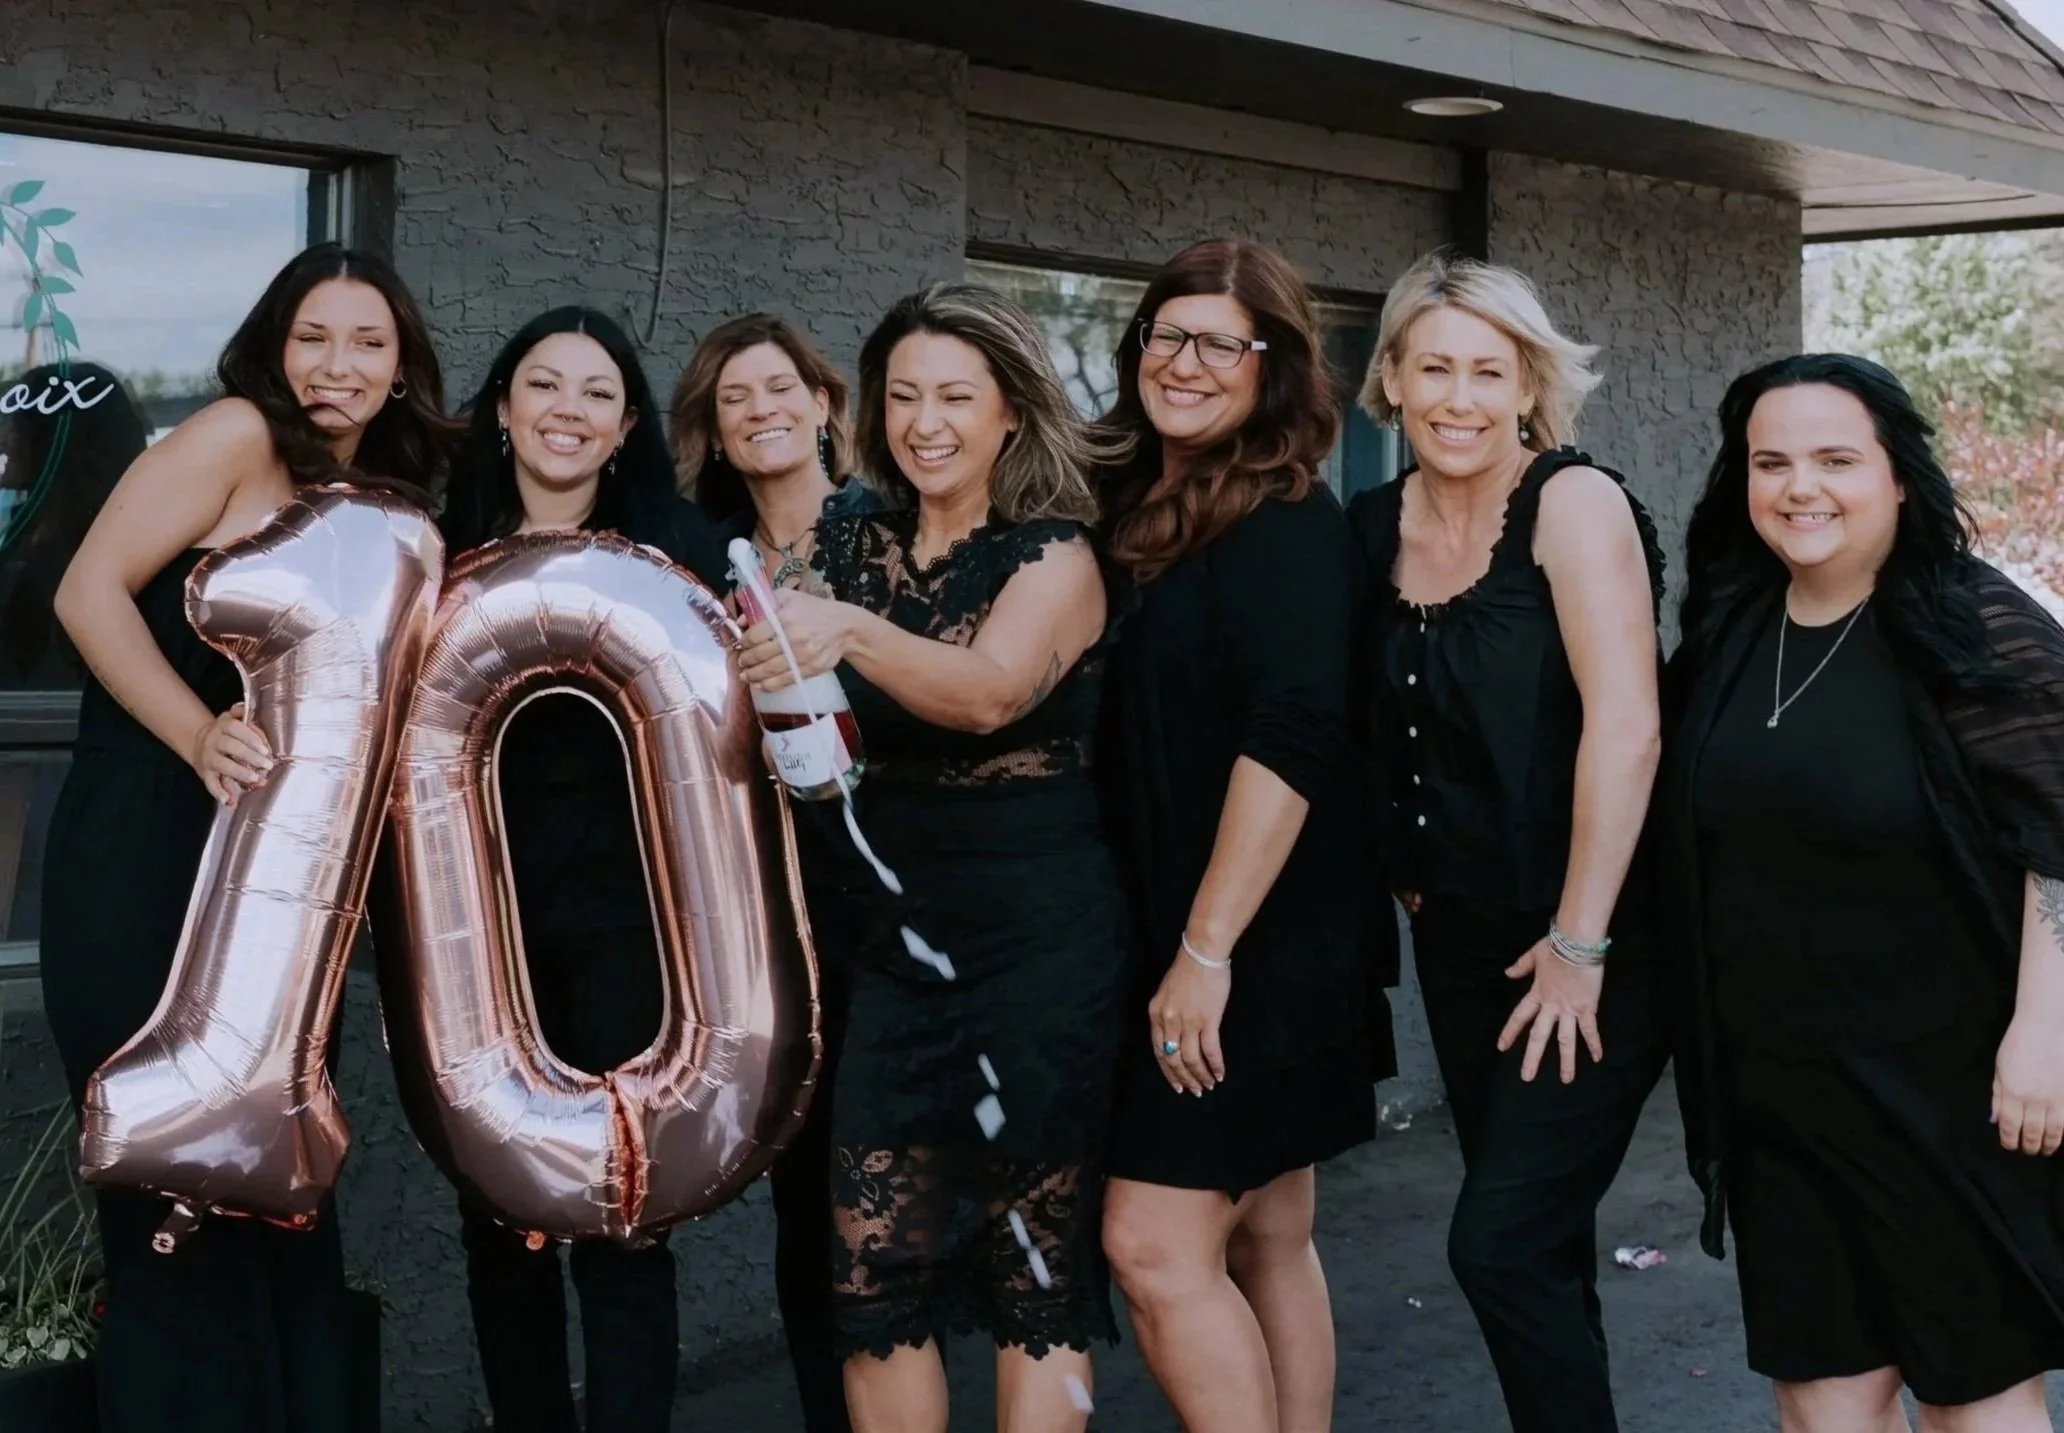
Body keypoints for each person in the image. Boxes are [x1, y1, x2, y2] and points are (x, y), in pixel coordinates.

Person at [41, 241, 453, 1433]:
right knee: (171, 1195)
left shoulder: (379, 493)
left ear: (399, 364)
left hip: (275, 885)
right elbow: (86, 591)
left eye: (368, 342)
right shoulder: (233, 435)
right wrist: (195, 732)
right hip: (148, 846)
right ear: (274, 345)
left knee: (278, 1199)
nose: (339, 364)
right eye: (314, 336)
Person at [734, 283, 1126, 1433]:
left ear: (1011, 411)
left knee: (1030, 1276)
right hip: (897, 949)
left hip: (1036, 947)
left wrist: (848, 630)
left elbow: (991, 691)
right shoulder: (849, 540)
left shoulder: (1056, 554)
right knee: (872, 1275)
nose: (926, 420)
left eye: (956, 394)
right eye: (904, 395)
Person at [1656, 353, 2064, 1433]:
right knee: (1821, 1400)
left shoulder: (1969, 623)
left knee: (1974, 1398)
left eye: (1837, 458)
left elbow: (2060, 830)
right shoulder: (1733, 630)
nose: (1802, 486)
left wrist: (2045, 1030)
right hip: (1781, 1098)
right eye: (1771, 460)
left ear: (1896, 475)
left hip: (1951, 1091)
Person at [1347, 250, 1668, 1433]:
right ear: (1390, 375)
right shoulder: (1372, 520)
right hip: (1464, 943)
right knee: (1541, 1247)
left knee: (1499, 1242)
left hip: (1593, 938)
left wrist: (1580, 943)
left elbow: (1627, 729)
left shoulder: (1571, 503)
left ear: (1530, 382)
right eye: (1434, 366)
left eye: (1491, 370)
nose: (1460, 397)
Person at [1093, 238, 1384, 1433]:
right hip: (1170, 922)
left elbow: (1296, 734)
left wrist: (1205, 950)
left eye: (1223, 341)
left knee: (1153, 1239)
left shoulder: (1286, 522)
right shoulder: (1132, 503)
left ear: (1274, 368)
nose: (1187, 362)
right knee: (1268, 1228)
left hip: (1252, 939)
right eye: (1168, 334)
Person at [432, 305, 726, 1433]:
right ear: (502, 411)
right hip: (470, 930)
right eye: (543, 385)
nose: (568, 409)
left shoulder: (678, 546)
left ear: (625, 426)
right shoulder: (439, 542)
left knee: (622, 1211)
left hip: (629, 928)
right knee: (499, 1221)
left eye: (597, 393)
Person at [0, 360, 149, 685]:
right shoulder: (40, 535)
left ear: (52, 442)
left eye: (18, 426)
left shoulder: (72, 559)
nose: (4, 441)